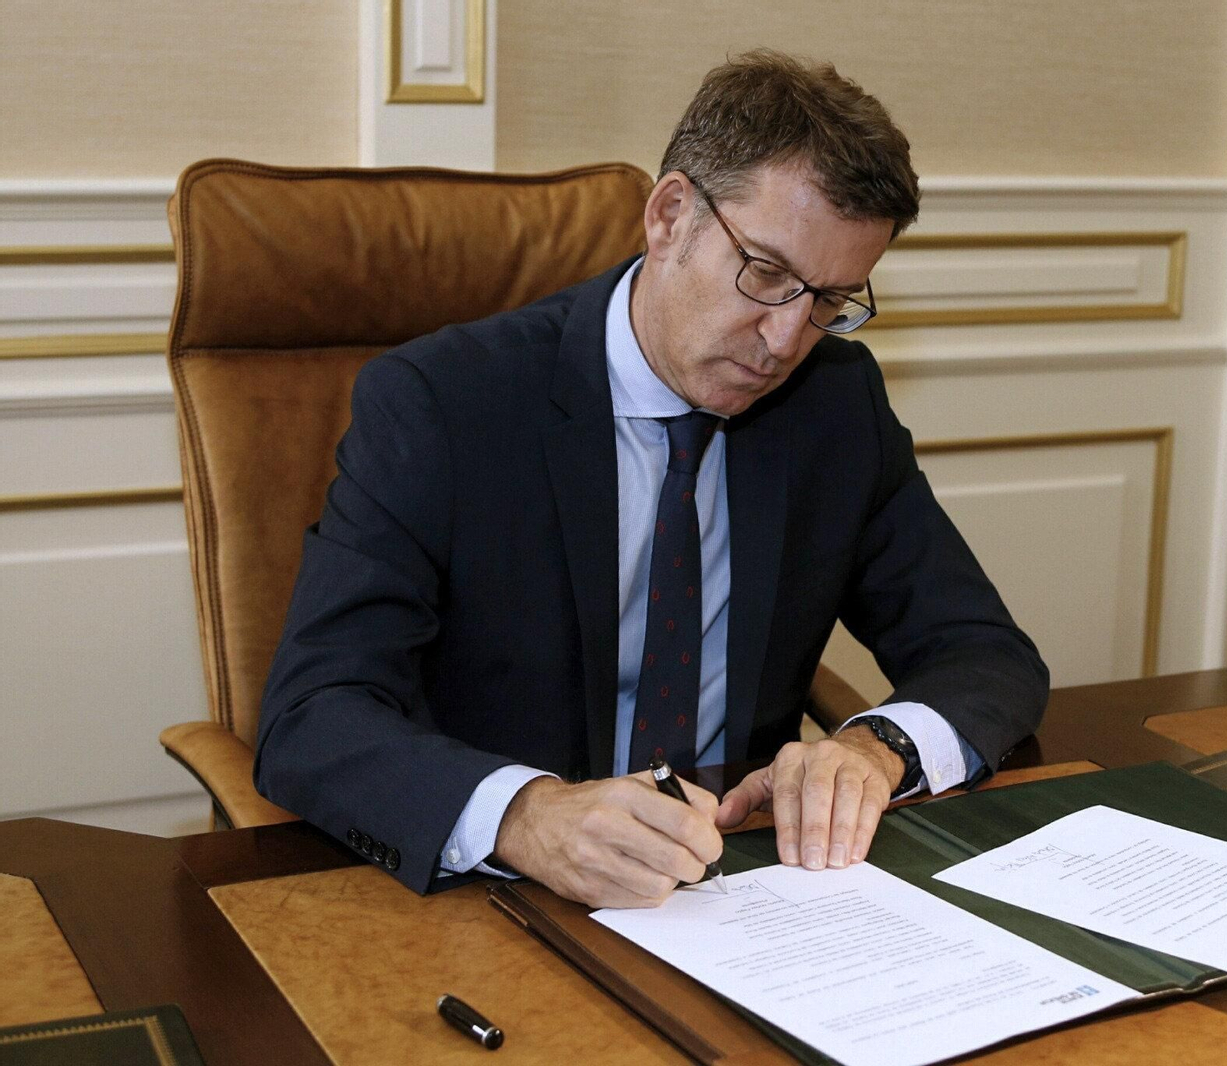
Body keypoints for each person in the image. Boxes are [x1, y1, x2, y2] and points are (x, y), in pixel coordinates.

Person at [255, 50, 1047, 906]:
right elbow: (313, 715)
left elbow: (985, 653)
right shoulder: (444, 403)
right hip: (502, 899)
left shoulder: (834, 405)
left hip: (737, 892)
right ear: (670, 216)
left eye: (827, 301)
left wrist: (873, 747)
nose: (786, 341)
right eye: (767, 274)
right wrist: (525, 815)